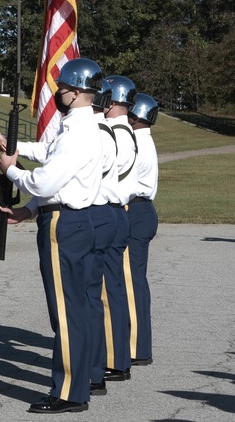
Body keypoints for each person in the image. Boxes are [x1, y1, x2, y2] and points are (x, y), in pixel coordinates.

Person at [0, 58, 104, 414]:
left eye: (62, 89)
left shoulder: (79, 132)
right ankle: (79, 383)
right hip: (76, 221)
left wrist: (12, 172)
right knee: (79, 309)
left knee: (66, 313)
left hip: (63, 226)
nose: (58, 94)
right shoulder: (82, 128)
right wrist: (14, 148)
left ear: (74, 92)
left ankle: (68, 392)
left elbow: (45, 181)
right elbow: (51, 155)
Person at [100, 76, 139, 384]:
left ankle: (115, 358)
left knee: (108, 291)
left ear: (112, 101)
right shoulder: (120, 130)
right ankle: (116, 356)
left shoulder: (119, 133)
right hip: (114, 213)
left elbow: (113, 168)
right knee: (109, 288)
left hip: (112, 210)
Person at [84, 79, 119, 396]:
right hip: (105, 210)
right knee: (93, 298)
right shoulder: (105, 131)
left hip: (95, 211)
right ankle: (95, 369)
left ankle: (93, 371)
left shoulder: (95, 132)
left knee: (86, 300)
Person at [125, 92, 159, 367]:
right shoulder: (142, 139)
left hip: (135, 210)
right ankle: (136, 342)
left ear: (136, 116)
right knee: (134, 279)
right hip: (141, 210)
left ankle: (137, 347)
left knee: (132, 280)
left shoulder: (136, 142)